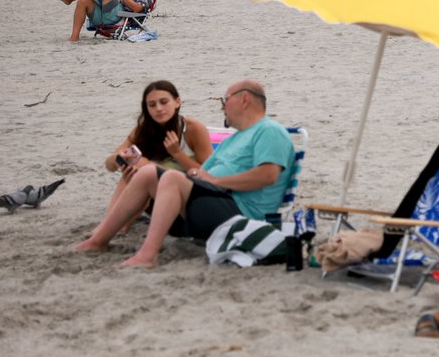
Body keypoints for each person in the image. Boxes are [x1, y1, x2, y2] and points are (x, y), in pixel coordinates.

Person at [74, 79, 295, 268]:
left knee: (171, 178)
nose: (222, 106)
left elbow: (268, 176)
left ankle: (148, 255)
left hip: (240, 213)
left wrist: (214, 180)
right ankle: (98, 240)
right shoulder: (235, 139)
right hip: (211, 205)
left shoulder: (269, 131)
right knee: (148, 173)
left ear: (244, 99)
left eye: (224, 100)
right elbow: (202, 173)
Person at [104, 80, 212, 224]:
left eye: (164, 102)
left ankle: (114, 225)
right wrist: (119, 158)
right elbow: (109, 166)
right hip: (153, 195)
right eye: (152, 105)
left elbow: (209, 175)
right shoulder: (144, 130)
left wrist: (177, 154)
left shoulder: (193, 129)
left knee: (141, 166)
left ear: (177, 102)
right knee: (131, 169)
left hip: (186, 195)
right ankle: (114, 225)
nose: (159, 108)